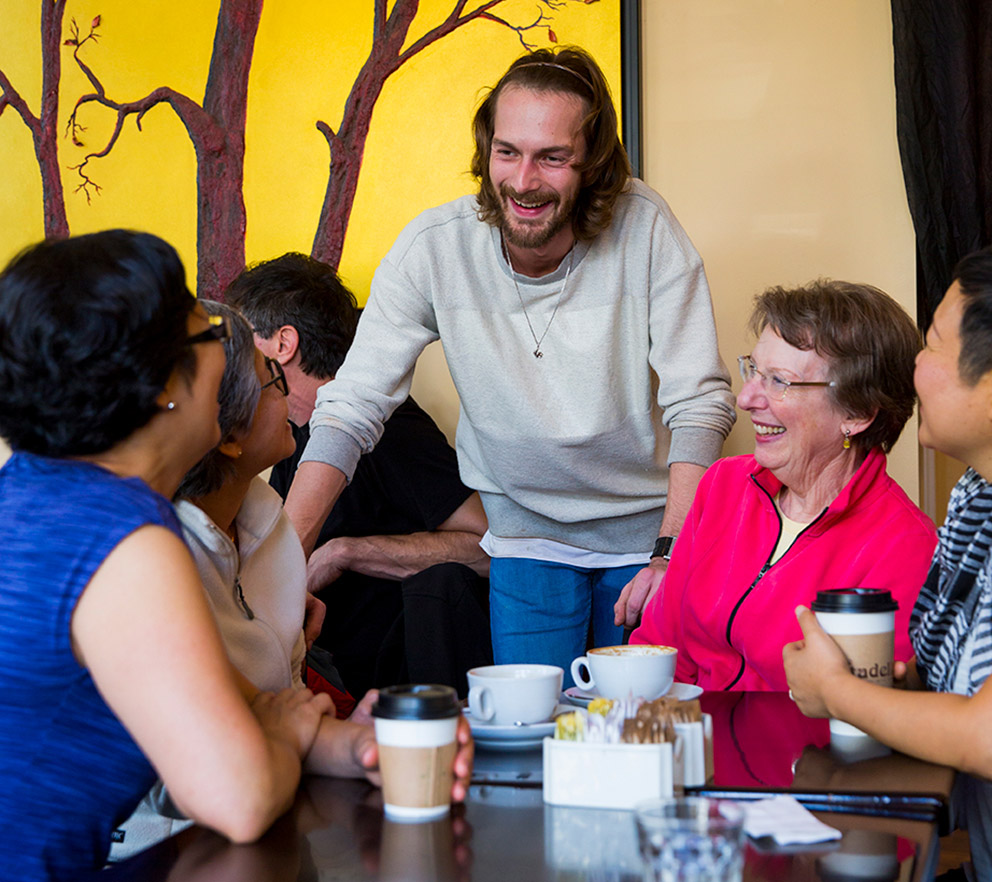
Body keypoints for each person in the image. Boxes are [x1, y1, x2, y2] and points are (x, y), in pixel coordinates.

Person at [282, 47, 737, 681]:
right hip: (523, 539)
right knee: (534, 741)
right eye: (508, 152)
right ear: (486, 149)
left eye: (552, 157)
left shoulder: (646, 228)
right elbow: (353, 405)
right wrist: (281, 557)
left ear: (593, 166)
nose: (523, 181)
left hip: (646, 536)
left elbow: (700, 401)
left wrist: (671, 556)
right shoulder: (434, 249)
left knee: (636, 736)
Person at [0, 231, 331, 881]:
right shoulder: (125, 543)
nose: (233, 360)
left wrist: (324, 732)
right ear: (161, 389)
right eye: (207, 336)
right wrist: (292, 737)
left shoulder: (29, 491)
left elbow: (244, 704)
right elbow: (239, 798)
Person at [112, 300, 474, 859]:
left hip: (272, 820)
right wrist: (296, 732)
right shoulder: (150, 554)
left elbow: (276, 707)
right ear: (226, 432)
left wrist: (357, 742)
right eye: (273, 383)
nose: (297, 400)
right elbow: (222, 771)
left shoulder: (270, 523)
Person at [785, 248, 992, 877]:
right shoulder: (975, 496)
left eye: (931, 344)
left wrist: (840, 693)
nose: (915, 366)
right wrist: (892, 692)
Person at [630, 280, 937, 690]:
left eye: (779, 381)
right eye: (753, 370)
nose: (746, 399)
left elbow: (871, 712)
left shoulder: (904, 546)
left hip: (804, 752)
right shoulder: (723, 486)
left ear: (858, 412)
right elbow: (661, 647)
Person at [225, 254, 492, 698]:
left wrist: (346, 552)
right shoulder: (288, 440)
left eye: (242, 342)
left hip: (392, 690)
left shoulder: (388, 428)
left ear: (283, 344)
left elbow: (488, 546)